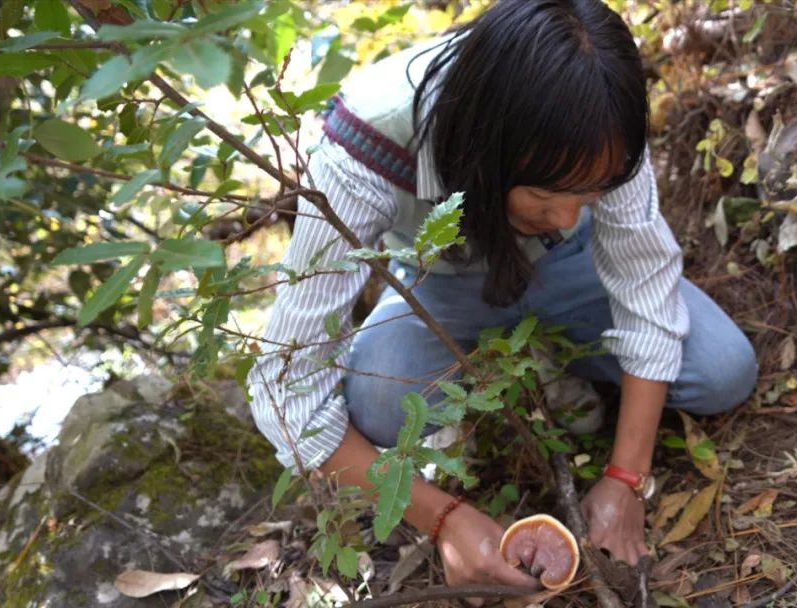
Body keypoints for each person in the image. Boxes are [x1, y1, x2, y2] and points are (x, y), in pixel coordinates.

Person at [247, 0, 757, 592]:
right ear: (487, 151)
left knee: (723, 371)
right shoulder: (366, 139)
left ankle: (543, 364)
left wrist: (626, 476)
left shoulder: (604, 117)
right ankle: (535, 367)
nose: (567, 214)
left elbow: (644, 288)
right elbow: (285, 390)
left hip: (574, 266)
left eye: (589, 194)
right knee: (379, 410)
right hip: (442, 281)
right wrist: (444, 518)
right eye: (546, 194)